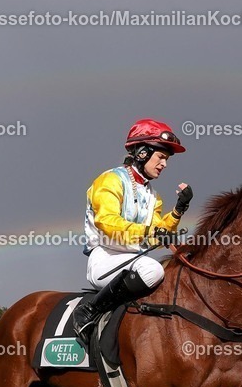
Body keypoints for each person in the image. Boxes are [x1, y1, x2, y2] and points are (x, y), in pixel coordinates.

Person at [72, 119, 193, 338]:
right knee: (154, 270)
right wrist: (149, 233)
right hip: (105, 258)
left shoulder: (153, 196)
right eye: (161, 157)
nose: (164, 164)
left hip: (133, 260)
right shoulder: (109, 180)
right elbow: (107, 222)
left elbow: (155, 236)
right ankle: (89, 311)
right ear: (142, 153)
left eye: (166, 160)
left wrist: (178, 211)